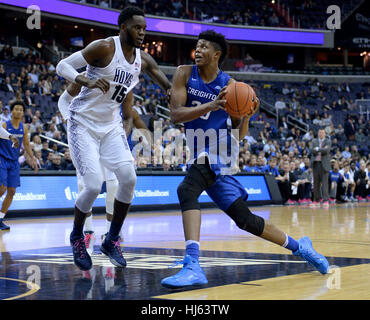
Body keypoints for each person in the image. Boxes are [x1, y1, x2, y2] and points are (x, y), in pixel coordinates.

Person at [160, 30, 329, 289]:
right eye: (197, 46)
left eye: (204, 47)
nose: (198, 50)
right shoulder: (184, 73)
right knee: (245, 220)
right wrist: (211, 105)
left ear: (216, 55)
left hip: (220, 152)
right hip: (198, 152)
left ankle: (192, 264)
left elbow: (238, 133)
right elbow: (175, 115)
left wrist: (247, 113)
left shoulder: (232, 86)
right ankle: (301, 248)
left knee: (186, 189)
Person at [56, 6, 171, 270]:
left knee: (129, 179)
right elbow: (62, 66)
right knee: (93, 185)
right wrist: (84, 80)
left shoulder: (141, 59)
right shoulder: (105, 47)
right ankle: (76, 236)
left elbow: (162, 79)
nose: (142, 33)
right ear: (122, 27)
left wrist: (170, 91)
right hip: (82, 123)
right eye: (136, 28)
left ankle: (111, 239)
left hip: (110, 127)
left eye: (144, 28)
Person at [58, 73, 150, 255]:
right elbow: (64, 100)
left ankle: (109, 232)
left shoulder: (124, 87)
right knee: (86, 186)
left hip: (108, 142)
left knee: (114, 186)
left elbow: (136, 122)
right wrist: (70, 121)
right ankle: (87, 231)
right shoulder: (87, 77)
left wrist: (143, 142)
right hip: (86, 138)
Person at [0, 101, 38, 230]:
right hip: (2, 159)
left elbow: (26, 144)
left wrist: (33, 159)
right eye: (16, 109)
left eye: (21, 110)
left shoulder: (24, 127)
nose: (18, 111)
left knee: (12, 191)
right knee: (2, 188)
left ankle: (0, 219)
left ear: (23, 113)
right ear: (11, 111)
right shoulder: (5, 125)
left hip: (14, 162)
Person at [310, 128, 331, 208]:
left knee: (325, 183)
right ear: (318, 133)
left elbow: (327, 150)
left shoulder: (328, 141)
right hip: (315, 163)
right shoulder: (314, 141)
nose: (321, 134)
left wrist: (318, 149)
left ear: (325, 134)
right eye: (320, 132)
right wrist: (322, 149)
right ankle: (316, 200)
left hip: (324, 164)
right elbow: (311, 150)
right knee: (316, 183)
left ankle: (326, 200)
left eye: (322, 132)